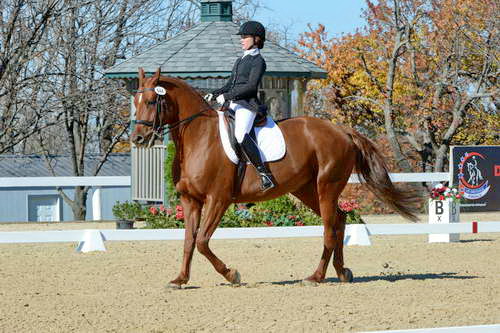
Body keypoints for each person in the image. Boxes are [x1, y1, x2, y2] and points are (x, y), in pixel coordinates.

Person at [205, 21, 275, 192]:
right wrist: (214, 93)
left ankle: (264, 174)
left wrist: (227, 96)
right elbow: (230, 84)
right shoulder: (240, 60)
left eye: (245, 37)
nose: (241, 40)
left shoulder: (258, 61)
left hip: (247, 105)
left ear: (256, 39)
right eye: (241, 37)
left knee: (240, 134)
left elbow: (251, 87)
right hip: (233, 103)